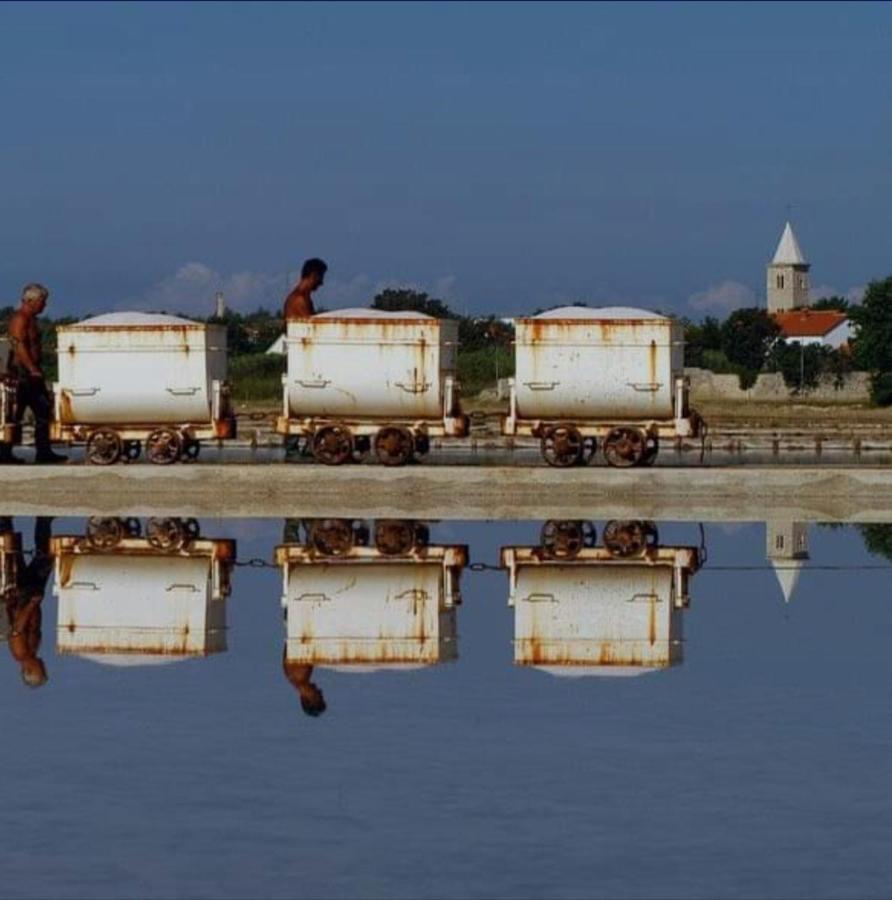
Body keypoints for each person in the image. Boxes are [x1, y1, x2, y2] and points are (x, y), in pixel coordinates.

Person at [4, 284, 66, 464]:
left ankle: (43, 451)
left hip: (31, 373)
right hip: (23, 374)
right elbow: (19, 346)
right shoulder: (20, 319)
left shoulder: (31, 320)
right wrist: (32, 369)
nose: (44, 306)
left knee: (41, 411)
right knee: (16, 414)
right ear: (30, 301)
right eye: (42, 302)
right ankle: (6, 452)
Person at [4, 517, 53, 688]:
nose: (44, 666)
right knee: (45, 557)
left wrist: (31, 604)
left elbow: (17, 628)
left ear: (30, 670)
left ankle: (4, 520)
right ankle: (43, 522)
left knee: (15, 555)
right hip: (32, 596)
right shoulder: (32, 650)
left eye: (42, 670)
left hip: (23, 596)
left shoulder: (20, 652)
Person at [282, 649, 327, 717]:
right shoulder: (297, 677)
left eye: (317, 696)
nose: (319, 691)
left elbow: (301, 642)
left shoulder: (298, 674)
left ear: (307, 699)